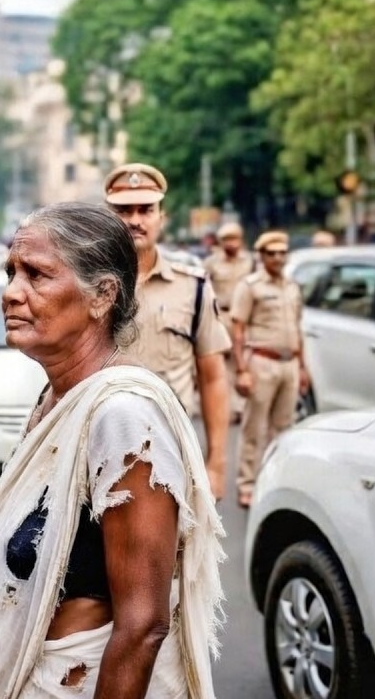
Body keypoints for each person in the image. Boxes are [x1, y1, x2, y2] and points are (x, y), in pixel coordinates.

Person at [0, 202, 225, 698]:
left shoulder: (121, 416)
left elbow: (142, 626)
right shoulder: (57, 397)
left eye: (36, 275)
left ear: (103, 295)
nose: (12, 293)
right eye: (12, 272)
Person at [105, 163, 231, 502]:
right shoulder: (86, 285)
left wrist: (216, 463)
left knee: (176, 552)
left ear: (162, 217)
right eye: (123, 210)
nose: (135, 220)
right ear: (107, 216)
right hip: (100, 449)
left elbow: (213, 377)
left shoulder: (193, 286)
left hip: (172, 449)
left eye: (146, 210)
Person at [230, 231, 309, 509]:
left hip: (289, 364)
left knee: (284, 428)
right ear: (261, 256)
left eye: (282, 253)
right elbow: (237, 330)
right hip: (261, 362)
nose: (278, 258)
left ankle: (276, 480)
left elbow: (298, 330)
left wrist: (303, 368)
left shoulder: (292, 287)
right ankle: (247, 484)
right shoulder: (250, 286)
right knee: (254, 426)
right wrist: (241, 370)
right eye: (271, 253)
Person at [203, 222, 258, 424]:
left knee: (243, 360)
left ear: (241, 240)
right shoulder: (211, 263)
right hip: (221, 315)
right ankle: (228, 407)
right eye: (227, 239)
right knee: (222, 363)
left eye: (234, 239)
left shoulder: (250, 261)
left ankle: (241, 406)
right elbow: (204, 290)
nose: (231, 243)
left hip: (243, 317)